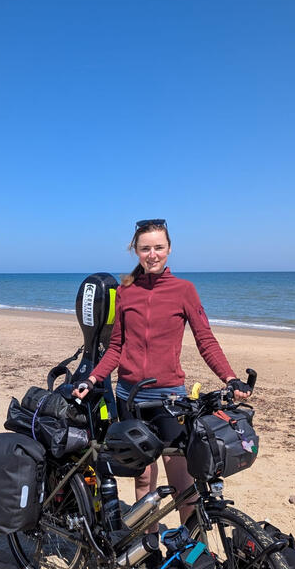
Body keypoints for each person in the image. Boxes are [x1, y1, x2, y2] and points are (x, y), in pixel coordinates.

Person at [73, 218, 252, 527]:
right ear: (135, 250)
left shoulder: (184, 291)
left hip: (170, 400)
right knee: (143, 481)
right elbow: (116, 346)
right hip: (129, 398)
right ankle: (149, 549)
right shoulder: (126, 291)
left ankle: (195, 554)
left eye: (159, 247)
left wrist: (229, 377)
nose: (152, 254)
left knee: (184, 485)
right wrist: (92, 378)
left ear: (169, 249)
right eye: (145, 248)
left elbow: (205, 340)